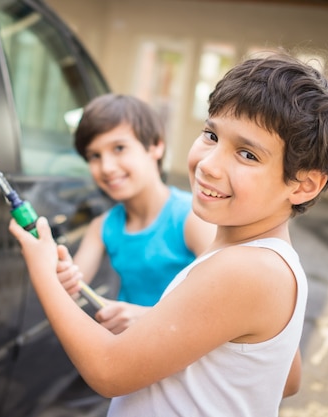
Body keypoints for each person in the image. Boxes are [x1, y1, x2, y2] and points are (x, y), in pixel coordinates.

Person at [8, 51, 328, 416]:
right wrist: (157, 324)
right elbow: (287, 378)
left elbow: (109, 370)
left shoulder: (246, 271)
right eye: (211, 135)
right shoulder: (255, 261)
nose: (208, 164)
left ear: (303, 185)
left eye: (247, 155)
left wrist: (41, 268)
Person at [57, 94, 216, 334]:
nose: (107, 167)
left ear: (156, 146)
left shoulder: (191, 219)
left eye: (119, 148)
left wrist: (145, 317)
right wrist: (64, 282)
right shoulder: (102, 227)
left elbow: (221, 305)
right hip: (131, 353)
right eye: (94, 156)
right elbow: (66, 294)